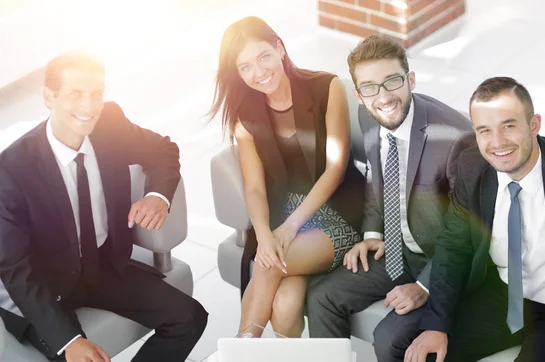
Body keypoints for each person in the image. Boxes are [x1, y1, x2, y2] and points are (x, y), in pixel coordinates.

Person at [0, 52, 208, 362]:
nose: (89, 106)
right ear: (48, 97)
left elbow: (164, 150)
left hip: (102, 266)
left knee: (189, 317)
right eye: (76, 94)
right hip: (45, 283)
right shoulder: (12, 168)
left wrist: (158, 197)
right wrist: (68, 340)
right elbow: (16, 269)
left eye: (96, 94)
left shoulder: (109, 123)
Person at [403, 77, 545, 362]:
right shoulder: (471, 166)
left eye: (509, 126)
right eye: (485, 130)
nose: (497, 143)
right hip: (501, 295)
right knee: (421, 353)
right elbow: (454, 246)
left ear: (534, 125)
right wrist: (437, 324)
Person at [306, 34, 474, 361]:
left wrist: (425, 286)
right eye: (369, 87)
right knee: (322, 297)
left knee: (389, 338)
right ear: (358, 94)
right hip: (399, 251)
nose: (383, 97)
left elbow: (467, 235)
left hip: (446, 264)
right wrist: (373, 233)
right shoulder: (369, 116)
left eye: (392, 81)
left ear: (410, 79)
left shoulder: (455, 139)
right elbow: (376, 176)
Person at [207, 16, 364, 338]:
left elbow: (335, 167)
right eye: (245, 66)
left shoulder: (326, 87)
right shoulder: (245, 116)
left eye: (264, 56)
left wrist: (290, 227)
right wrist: (265, 234)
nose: (259, 72)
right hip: (282, 218)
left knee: (267, 264)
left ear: (280, 48)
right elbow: (253, 187)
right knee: (284, 305)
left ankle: (242, 349)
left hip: (339, 210)